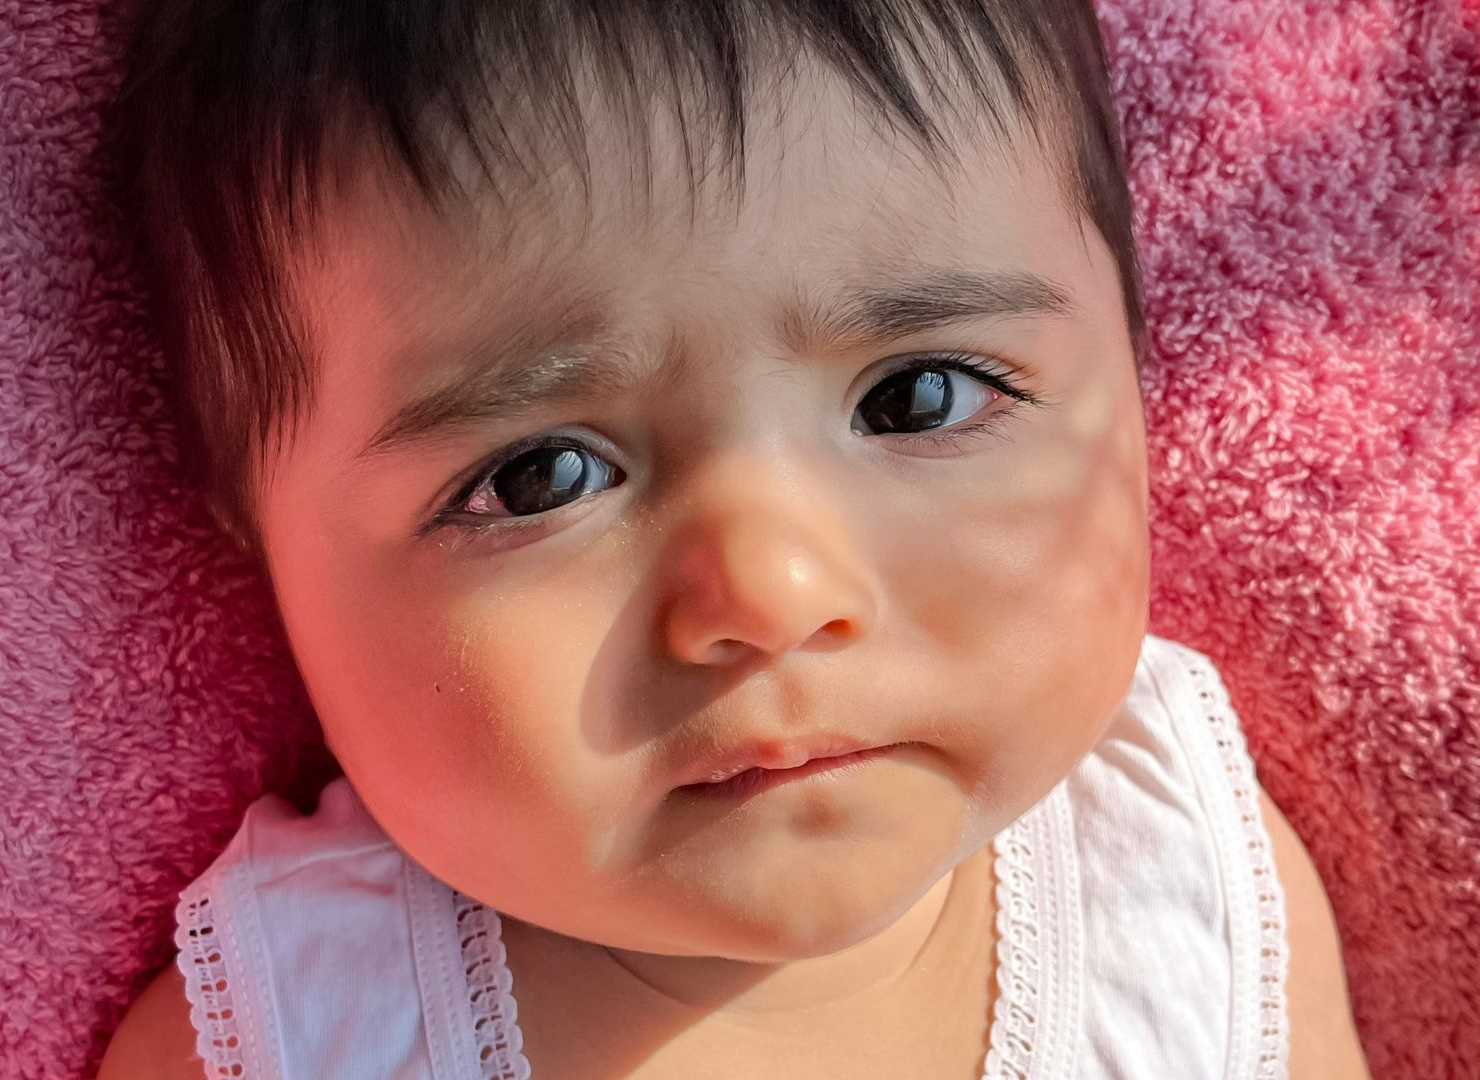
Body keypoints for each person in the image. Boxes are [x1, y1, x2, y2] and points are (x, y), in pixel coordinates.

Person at [97, 1, 1370, 1076]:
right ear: (254, 540)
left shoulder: (1192, 892)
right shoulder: (287, 1037)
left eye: (918, 394)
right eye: (541, 477)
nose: (771, 591)